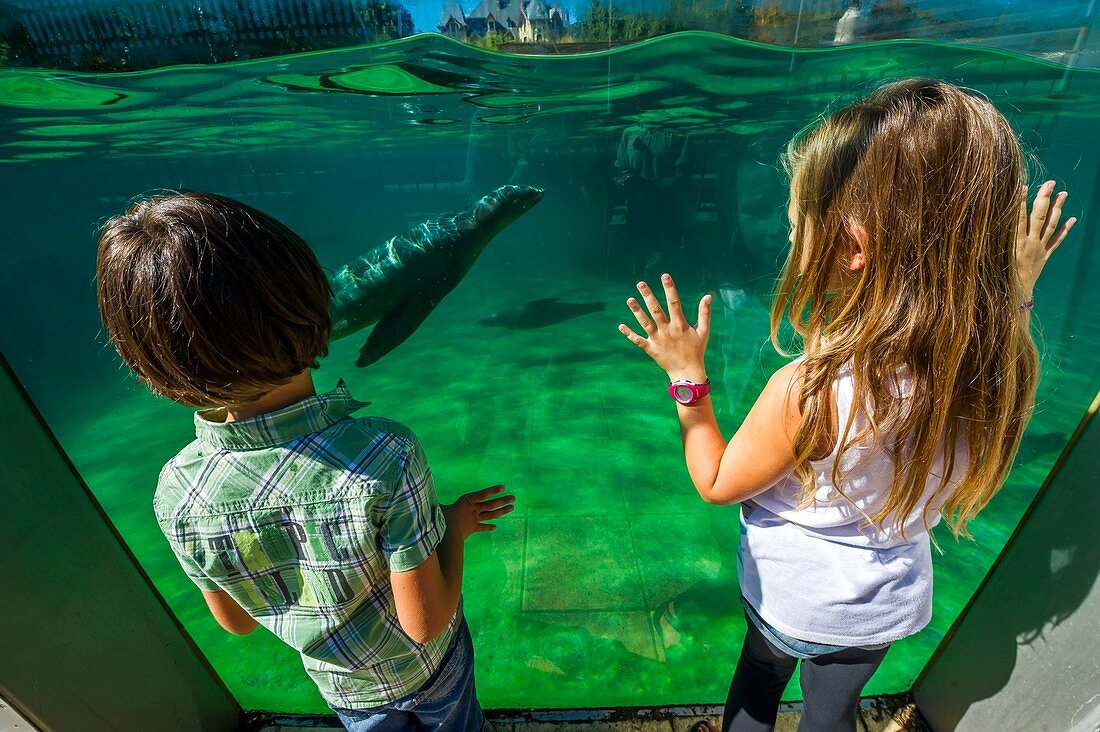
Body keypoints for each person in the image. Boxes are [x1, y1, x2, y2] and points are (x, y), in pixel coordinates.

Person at [616, 78, 1077, 732]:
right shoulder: (992, 369)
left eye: (797, 222)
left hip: (792, 602)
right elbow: (1004, 330)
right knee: (832, 715)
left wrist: (687, 380)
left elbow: (716, 481)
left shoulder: (811, 389)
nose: (790, 233)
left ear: (853, 246)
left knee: (759, 680)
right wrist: (1019, 286)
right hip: (881, 611)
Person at [95, 192, 514, 731]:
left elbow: (237, 623)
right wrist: (452, 529)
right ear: (314, 310)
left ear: (156, 372)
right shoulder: (384, 456)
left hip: (343, 691)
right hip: (429, 675)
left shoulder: (176, 493)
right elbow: (426, 623)